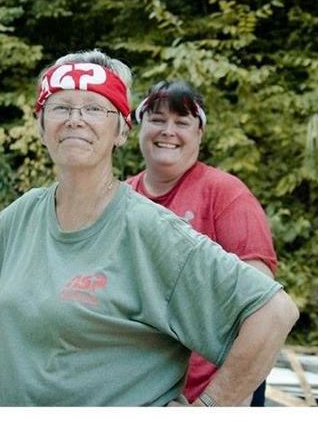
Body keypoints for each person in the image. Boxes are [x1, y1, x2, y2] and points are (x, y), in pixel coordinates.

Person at [0, 49, 298, 406]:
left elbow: (272, 312)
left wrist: (208, 411)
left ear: (119, 130)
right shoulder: (24, 216)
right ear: (41, 123)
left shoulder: (150, 230)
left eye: (94, 108)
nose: (76, 119)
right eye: (61, 107)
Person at [126, 80, 278, 406]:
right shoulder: (121, 200)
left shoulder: (225, 195)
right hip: (139, 393)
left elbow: (263, 308)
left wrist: (222, 402)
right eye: (157, 119)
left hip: (208, 392)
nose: (168, 131)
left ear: (199, 134)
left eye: (182, 122)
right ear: (139, 127)